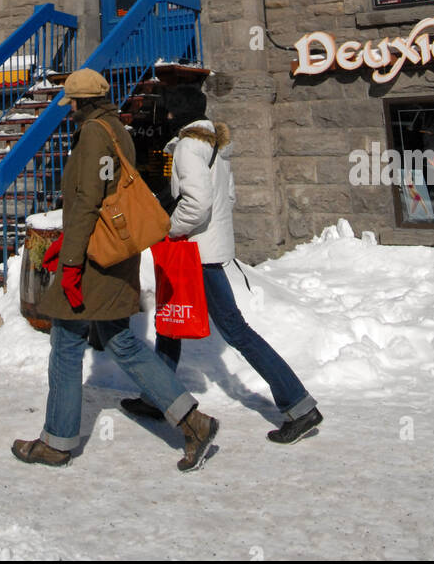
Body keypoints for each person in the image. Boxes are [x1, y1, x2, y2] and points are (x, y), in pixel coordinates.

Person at [12, 68, 219, 473]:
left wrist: (70, 261)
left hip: (92, 260)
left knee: (67, 347)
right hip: (115, 253)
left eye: (71, 102)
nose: (67, 109)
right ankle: (193, 421)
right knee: (122, 343)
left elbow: (88, 200)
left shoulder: (92, 134)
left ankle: (56, 442)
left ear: (83, 102)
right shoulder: (116, 129)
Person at [122, 84, 323, 445]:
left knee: (235, 330)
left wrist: (171, 229)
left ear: (175, 115)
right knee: (170, 322)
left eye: (167, 112)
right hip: (209, 250)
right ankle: (159, 397)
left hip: (194, 253)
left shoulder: (186, 147)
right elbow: (227, 197)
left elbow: (197, 203)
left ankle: (299, 405)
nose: (164, 117)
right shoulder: (215, 146)